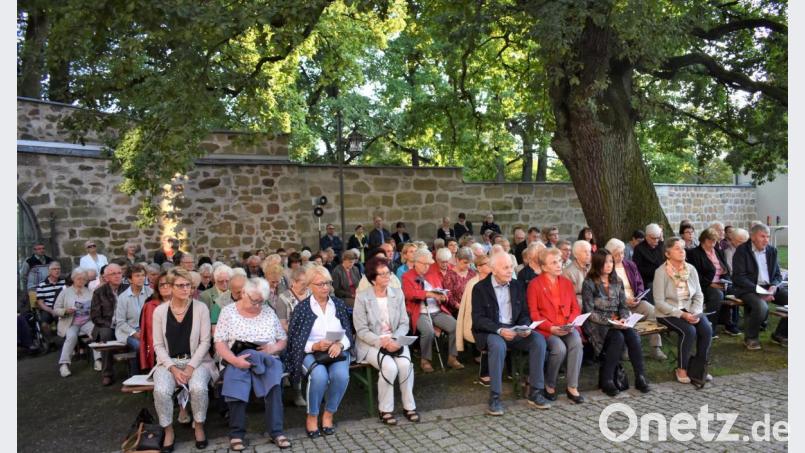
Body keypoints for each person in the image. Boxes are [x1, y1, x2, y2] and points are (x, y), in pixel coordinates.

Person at [214, 278, 290, 450]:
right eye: (254, 301)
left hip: (266, 358)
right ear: (243, 294)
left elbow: (282, 339)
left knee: (274, 385)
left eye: (260, 301)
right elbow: (219, 342)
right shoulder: (228, 312)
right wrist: (234, 360)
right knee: (236, 380)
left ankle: (276, 432)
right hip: (237, 357)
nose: (257, 306)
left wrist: (273, 348)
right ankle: (236, 434)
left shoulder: (268, 311)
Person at [472, 252, 551, 414]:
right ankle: (495, 397)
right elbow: (478, 319)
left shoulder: (517, 285)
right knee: (498, 345)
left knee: (538, 340)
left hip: (515, 329)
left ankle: (535, 391)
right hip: (492, 331)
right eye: (505, 268)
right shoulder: (480, 288)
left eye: (511, 267)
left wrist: (525, 327)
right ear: (493, 270)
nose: (510, 271)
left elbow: (524, 313)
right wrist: (500, 330)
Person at [152, 268, 218, 452]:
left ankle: (198, 425)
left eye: (188, 285)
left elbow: (205, 342)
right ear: (170, 287)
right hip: (168, 363)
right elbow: (158, 346)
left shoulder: (200, 308)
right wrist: (173, 368)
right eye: (180, 285)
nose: (185, 289)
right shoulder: (159, 311)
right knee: (161, 390)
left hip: (197, 362)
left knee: (198, 388)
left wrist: (189, 367)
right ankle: (168, 430)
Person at [285, 266, 353, 439]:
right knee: (320, 377)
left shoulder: (337, 304)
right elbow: (295, 341)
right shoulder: (302, 309)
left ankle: (329, 414)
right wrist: (314, 346)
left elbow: (348, 333)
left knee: (341, 376)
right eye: (320, 284)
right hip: (310, 352)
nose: (326, 287)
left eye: (328, 283)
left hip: (336, 350)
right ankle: (312, 416)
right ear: (310, 286)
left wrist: (340, 346)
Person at [353, 257, 419, 425]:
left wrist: (395, 339)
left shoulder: (397, 294)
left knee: (405, 365)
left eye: (388, 273)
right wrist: (381, 342)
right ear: (372, 278)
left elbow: (404, 322)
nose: (387, 277)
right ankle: (385, 410)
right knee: (389, 367)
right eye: (381, 275)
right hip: (371, 343)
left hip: (396, 339)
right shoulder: (362, 297)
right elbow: (361, 330)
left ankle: (409, 406)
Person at [582, 249, 650, 396]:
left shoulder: (616, 280)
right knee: (617, 338)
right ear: (598, 263)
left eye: (611, 261)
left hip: (617, 321)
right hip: (597, 324)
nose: (609, 265)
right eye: (606, 262)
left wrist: (624, 318)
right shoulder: (589, 283)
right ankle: (607, 380)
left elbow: (623, 306)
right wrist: (611, 323)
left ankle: (640, 376)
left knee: (633, 335)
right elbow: (589, 312)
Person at [527, 248, 585, 403]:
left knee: (576, 342)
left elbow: (575, 308)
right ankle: (549, 384)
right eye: (554, 262)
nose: (559, 265)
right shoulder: (534, 285)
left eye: (560, 261)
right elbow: (534, 314)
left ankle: (572, 387)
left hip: (566, 326)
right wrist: (550, 328)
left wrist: (571, 323)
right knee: (559, 348)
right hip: (547, 329)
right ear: (544, 267)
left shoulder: (566, 283)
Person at [653, 237, 712, 384]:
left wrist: (696, 312)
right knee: (689, 331)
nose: (682, 251)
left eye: (683, 248)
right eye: (677, 249)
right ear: (667, 254)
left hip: (690, 309)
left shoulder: (691, 269)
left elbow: (699, 294)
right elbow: (659, 302)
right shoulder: (660, 272)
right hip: (668, 312)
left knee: (706, 329)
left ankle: (699, 369)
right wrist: (682, 315)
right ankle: (681, 369)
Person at [402, 248, 463, 372]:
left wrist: (442, 297)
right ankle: (425, 360)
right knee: (428, 331)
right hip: (419, 312)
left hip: (437, 310)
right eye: (424, 264)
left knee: (456, 326)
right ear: (415, 262)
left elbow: (440, 290)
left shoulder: (433, 274)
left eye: (428, 264)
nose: (426, 267)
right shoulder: (407, 276)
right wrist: (429, 294)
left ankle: (452, 357)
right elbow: (409, 294)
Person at [604, 238, 666, 360]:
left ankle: (655, 347)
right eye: (616, 254)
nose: (620, 256)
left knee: (653, 311)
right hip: (618, 305)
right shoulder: (607, 268)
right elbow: (606, 292)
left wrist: (639, 296)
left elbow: (639, 283)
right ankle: (626, 349)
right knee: (625, 316)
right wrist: (624, 301)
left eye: (622, 253)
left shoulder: (630, 265)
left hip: (635, 301)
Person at [731, 223, 788, 349]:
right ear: (752, 237)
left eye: (767, 236)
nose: (766, 240)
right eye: (762, 236)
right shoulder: (742, 251)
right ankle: (751, 338)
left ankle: (780, 334)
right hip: (747, 288)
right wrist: (760, 291)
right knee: (761, 307)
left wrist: (774, 287)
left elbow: (778, 275)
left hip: (769, 287)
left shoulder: (772, 250)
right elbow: (739, 277)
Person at [54, 267, 100, 377]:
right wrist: (66, 311)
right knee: (71, 336)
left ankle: (98, 360)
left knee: (96, 332)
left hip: (87, 321)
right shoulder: (65, 292)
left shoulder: (90, 292)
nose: (81, 281)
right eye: (79, 279)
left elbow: (96, 308)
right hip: (70, 322)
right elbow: (56, 309)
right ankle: (64, 365)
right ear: (73, 279)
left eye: (84, 279)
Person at [686, 228, 731, 336]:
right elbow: (696, 275)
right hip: (704, 285)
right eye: (710, 241)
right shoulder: (695, 253)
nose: (712, 244)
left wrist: (726, 281)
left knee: (736, 291)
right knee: (717, 295)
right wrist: (711, 284)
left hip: (720, 282)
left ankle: (729, 324)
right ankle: (710, 327)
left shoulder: (718, 252)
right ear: (703, 240)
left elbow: (726, 269)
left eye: (714, 241)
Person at [90, 263, 129, 385]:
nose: (118, 276)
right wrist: (113, 324)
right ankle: (107, 374)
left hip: (126, 324)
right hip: (107, 325)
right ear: (106, 277)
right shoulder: (99, 292)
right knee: (106, 335)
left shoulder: (128, 288)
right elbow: (95, 317)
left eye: (119, 273)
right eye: (113, 274)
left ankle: (135, 370)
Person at [456, 255, 492, 383]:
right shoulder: (473, 284)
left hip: (491, 320)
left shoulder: (494, 280)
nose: (491, 265)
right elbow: (470, 310)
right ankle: (484, 374)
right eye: (488, 264)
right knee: (488, 337)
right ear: (479, 268)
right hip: (475, 323)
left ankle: (510, 370)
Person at [114, 264, 153, 375]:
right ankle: (136, 375)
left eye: (143, 275)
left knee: (154, 345)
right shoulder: (123, 297)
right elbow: (120, 322)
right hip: (128, 331)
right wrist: (134, 333)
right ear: (130, 279)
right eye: (137, 276)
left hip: (148, 328)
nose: (141, 278)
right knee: (138, 346)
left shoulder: (150, 292)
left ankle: (150, 373)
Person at [139, 271, 172, 371]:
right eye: (162, 284)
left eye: (168, 284)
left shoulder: (185, 304)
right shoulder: (150, 306)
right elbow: (148, 332)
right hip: (157, 348)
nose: (165, 287)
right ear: (157, 288)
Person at [35, 261, 65, 347]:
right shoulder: (41, 285)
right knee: (44, 324)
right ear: (49, 271)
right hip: (48, 308)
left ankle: (66, 342)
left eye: (58, 269)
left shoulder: (64, 282)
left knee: (62, 320)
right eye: (54, 269)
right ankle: (51, 342)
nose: (57, 271)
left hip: (62, 307)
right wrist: (51, 311)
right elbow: (41, 303)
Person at [633, 223, 665, 301]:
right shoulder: (639, 249)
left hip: (663, 277)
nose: (656, 240)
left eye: (658, 238)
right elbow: (637, 269)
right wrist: (657, 273)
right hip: (648, 280)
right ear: (646, 236)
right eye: (653, 238)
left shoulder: (660, 245)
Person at [443, 247, 477, 316]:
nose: (468, 266)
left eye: (470, 263)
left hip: (473, 308)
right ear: (457, 260)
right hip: (457, 310)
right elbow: (449, 296)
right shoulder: (449, 275)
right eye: (465, 262)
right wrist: (460, 307)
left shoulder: (472, 273)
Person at [562, 240, 591, 309]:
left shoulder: (593, 267)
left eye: (589, 251)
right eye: (585, 251)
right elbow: (569, 297)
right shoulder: (567, 272)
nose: (588, 254)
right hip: (579, 305)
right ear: (576, 255)